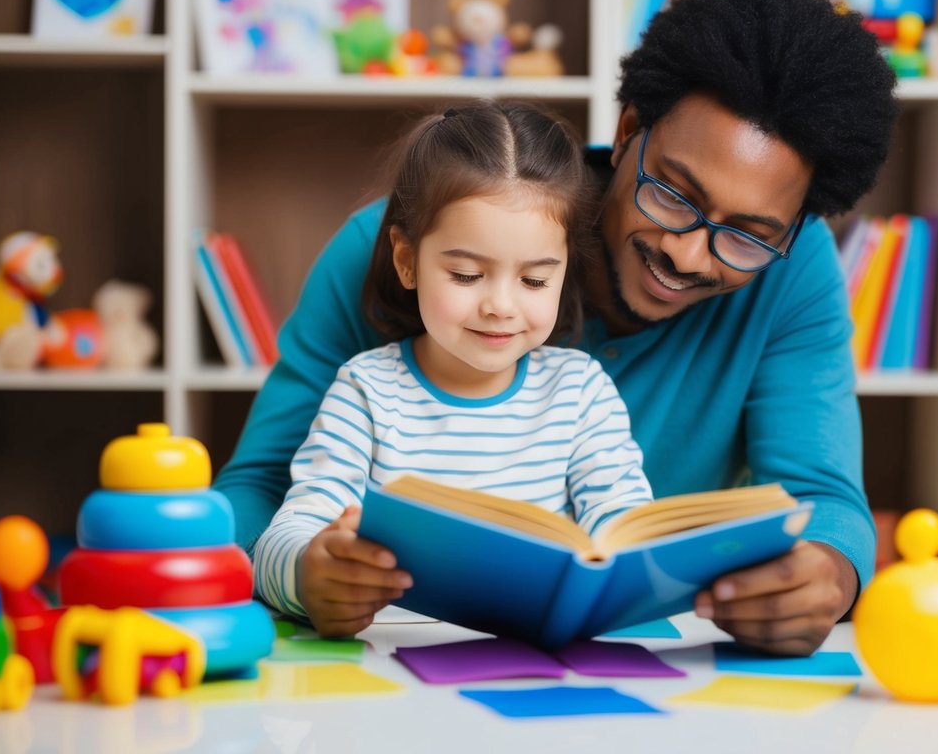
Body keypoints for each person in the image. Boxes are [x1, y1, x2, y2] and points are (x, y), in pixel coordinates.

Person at [216, 0, 898, 655]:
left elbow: (823, 499)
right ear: (629, 127)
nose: (688, 255)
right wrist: (307, 574)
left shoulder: (795, 268)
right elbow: (260, 486)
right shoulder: (400, 242)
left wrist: (824, 579)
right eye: (673, 193)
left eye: (748, 234)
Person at [251, 102, 654, 633]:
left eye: (535, 281)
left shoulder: (580, 392)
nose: (501, 306)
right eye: (466, 275)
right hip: (394, 673)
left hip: (539, 674)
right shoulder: (367, 390)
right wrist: (310, 575)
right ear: (407, 260)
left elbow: (626, 525)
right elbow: (287, 533)